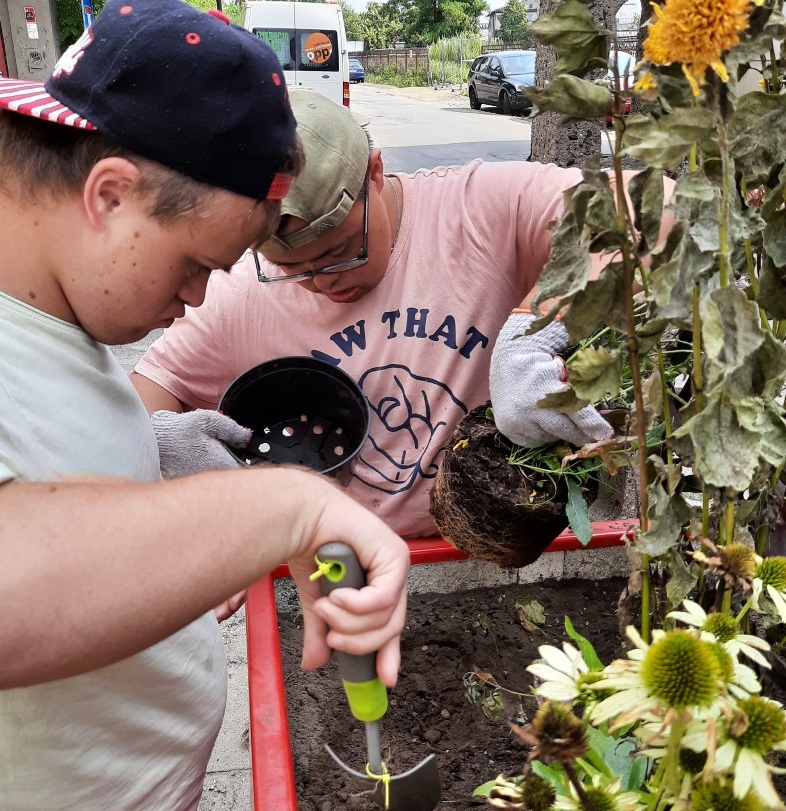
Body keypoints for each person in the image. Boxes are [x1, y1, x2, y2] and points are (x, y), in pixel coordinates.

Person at [0, 3, 410, 811]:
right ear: (109, 193)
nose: (194, 300)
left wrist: (141, 455)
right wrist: (285, 508)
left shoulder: (41, 312)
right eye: (195, 264)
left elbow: (7, 462)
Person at [133, 89, 639, 541]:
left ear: (375, 172)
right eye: (292, 269)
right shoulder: (241, 293)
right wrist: (158, 444)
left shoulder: (477, 211)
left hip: (488, 552)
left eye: (341, 252)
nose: (322, 281)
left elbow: (643, 211)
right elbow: (148, 393)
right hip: (336, 562)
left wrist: (537, 329)